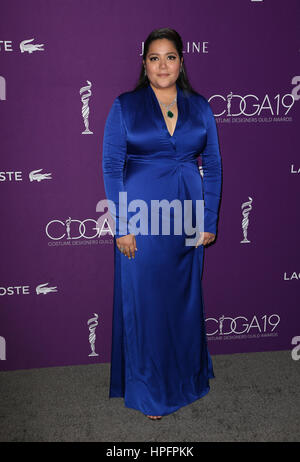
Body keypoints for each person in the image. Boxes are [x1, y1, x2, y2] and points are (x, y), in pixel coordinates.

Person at [102, 28, 222, 420]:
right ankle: (151, 391)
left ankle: (188, 379)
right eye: (154, 58)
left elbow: (214, 166)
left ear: (182, 61)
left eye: (170, 57)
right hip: (141, 216)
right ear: (144, 64)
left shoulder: (200, 107)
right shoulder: (125, 106)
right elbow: (111, 167)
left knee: (184, 301)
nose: (163, 65)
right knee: (148, 304)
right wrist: (121, 226)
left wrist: (208, 218)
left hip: (187, 212)